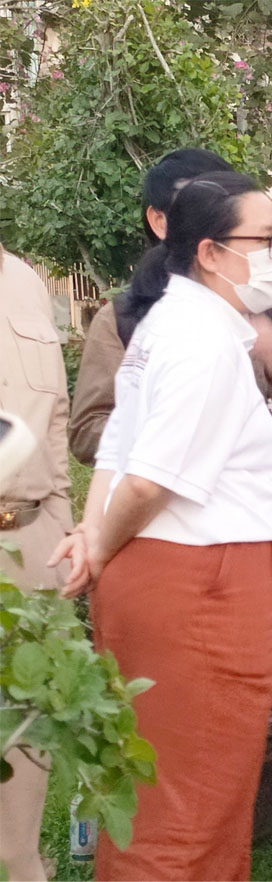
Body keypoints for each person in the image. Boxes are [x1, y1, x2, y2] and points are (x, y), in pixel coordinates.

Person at [67, 148, 272, 881]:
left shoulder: (177, 321)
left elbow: (118, 450)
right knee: (188, 804)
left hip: (196, 573)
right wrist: (99, 547)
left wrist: (93, 537)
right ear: (211, 252)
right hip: (202, 583)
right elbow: (148, 480)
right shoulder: (201, 341)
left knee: (191, 793)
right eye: (267, 239)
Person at [0, 244, 73, 882]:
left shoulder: (25, 279)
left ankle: (22, 863)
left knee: (27, 715)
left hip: (31, 537)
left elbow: (55, 417)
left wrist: (62, 527)